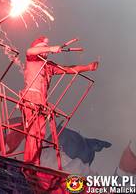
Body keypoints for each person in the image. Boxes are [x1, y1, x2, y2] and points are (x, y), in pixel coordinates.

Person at [21, 36, 99, 166]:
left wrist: (87, 67)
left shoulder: (48, 66)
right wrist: (51, 48)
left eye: (46, 48)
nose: (45, 51)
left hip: (41, 102)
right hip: (30, 98)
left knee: (39, 134)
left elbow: (68, 69)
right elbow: (29, 51)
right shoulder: (32, 60)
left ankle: (34, 162)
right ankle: (30, 162)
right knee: (33, 132)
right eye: (42, 48)